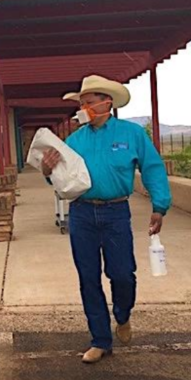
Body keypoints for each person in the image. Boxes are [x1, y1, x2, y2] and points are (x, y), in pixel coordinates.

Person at [41, 75, 172, 364]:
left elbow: (152, 168)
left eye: (88, 103)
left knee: (122, 274)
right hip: (82, 213)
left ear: (106, 103)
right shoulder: (74, 141)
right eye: (82, 103)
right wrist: (47, 171)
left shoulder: (132, 134)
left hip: (116, 212)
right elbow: (62, 181)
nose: (84, 108)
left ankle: (122, 315)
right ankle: (100, 339)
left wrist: (159, 206)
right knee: (89, 278)